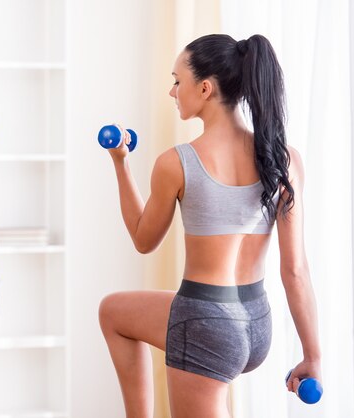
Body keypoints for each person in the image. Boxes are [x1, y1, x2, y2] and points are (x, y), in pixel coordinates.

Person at [98, 34, 321, 418]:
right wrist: (312, 355)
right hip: (256, 323)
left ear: (204, 88)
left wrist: (120, 164)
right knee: (114, 312)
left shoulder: (177, 163)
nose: (171, 92)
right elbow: (295, 271)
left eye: (177, 81)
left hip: (206, 324)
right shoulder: (283, 159)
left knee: (115, 313)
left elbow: (142, 238)